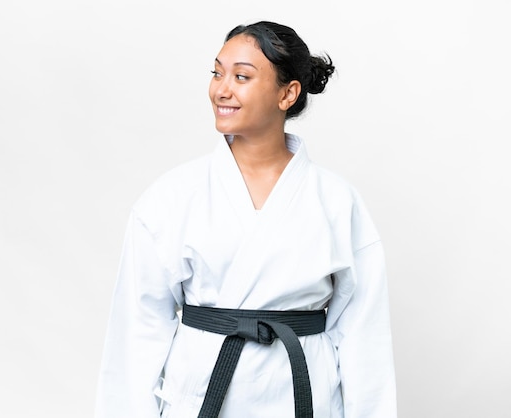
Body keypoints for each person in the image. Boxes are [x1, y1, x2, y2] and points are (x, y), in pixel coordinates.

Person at [94, 21, 396, 418]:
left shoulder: (337, 202)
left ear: (287, 93)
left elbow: (363, 338)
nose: (221, 89)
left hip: (302, 399)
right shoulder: (172, 197)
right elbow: (137, 332)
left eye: (242, 76)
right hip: (201, 398)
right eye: (217, 73)